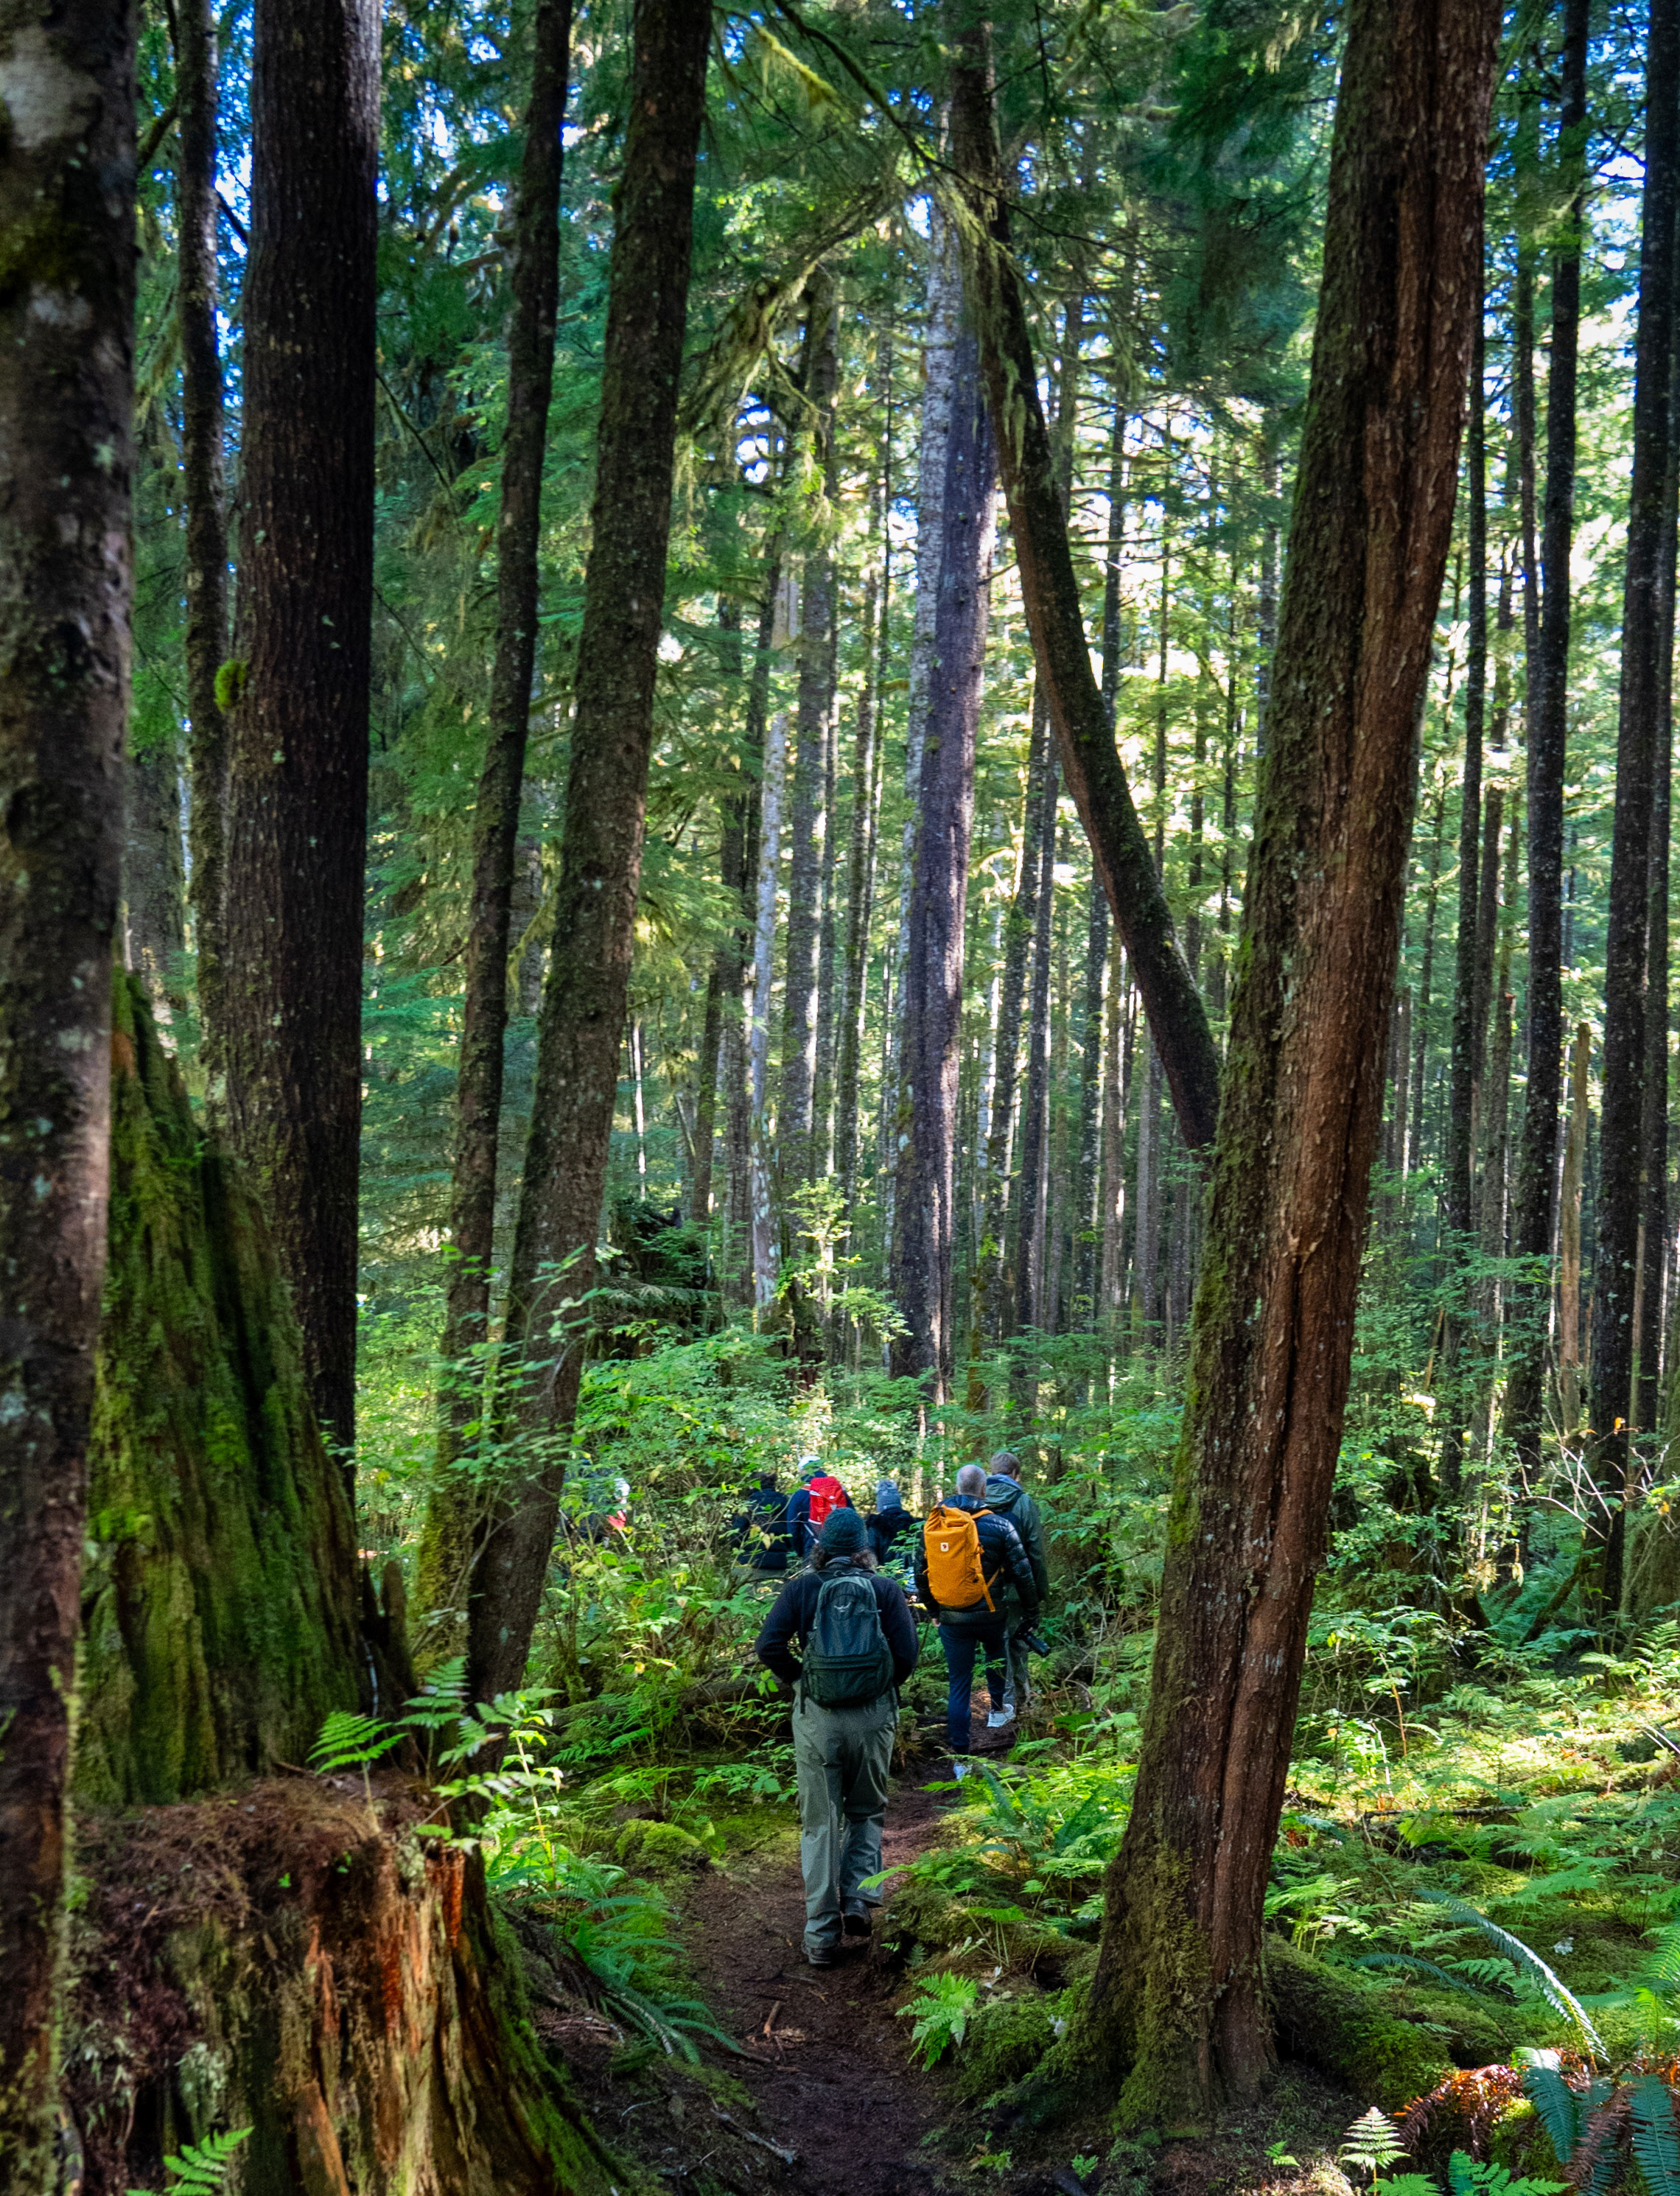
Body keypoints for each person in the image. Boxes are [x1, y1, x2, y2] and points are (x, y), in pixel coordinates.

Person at [755, 1508, 919, 1968]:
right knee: (866, 1812)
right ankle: (860, 1902)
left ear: (821, 1546)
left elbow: (769, 1646)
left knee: (821, 1822)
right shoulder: (885, 1590)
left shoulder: (803, 1587)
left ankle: (821, 1937)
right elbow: (907, 1656)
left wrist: (802, 1680)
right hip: (871, 1718)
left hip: (819, 1721)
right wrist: (879, 1688)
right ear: (864, 1549)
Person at [915, 1462, 1038, 1765]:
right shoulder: (999, 1525)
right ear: (984, 1490)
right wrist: (1032, 1613)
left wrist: (934, 1610)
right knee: (996, 1655)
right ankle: (998, 1712)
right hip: (992, 1616)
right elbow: (1023, 1574)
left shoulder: (934, 1525)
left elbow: (922, 1574)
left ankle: (960, 1758)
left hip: (952, 1617)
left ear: (957, 1488)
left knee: (959, 1684)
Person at [982, 1450, 1049, 1727]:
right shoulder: (1023, 1502)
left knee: (996, 1645)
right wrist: (1039, 1592)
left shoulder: (976, 1499)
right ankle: (1014, 1704)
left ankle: (1011, 1701)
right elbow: (1036, 1551)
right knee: (1018, 1642)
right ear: (1015, 1474)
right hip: (1015, 1587)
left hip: (983, 1589)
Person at [785, 1458, 853, 1561]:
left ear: (803, 1471)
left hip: (813, 1548)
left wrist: (800, 1551)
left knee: (814, 1577)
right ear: (821, 1469)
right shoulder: (840, 1491)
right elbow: (854, 1519)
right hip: (842, 1549)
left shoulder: (800, 1495)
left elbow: (793, 1527)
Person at [729, 1469, 791, 1582]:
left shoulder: (749, 1504)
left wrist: (738, 1550)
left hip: (749, 1561)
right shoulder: (786, 1502)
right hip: (778, 1562)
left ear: (754, 1485)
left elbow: (736, 1533)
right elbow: (792, 1531)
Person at [864, 1478, 916, 1573]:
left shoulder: (875, 1525)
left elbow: (871, 1554)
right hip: (911, 1578)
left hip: (885, 1577)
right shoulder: (913, 1524)